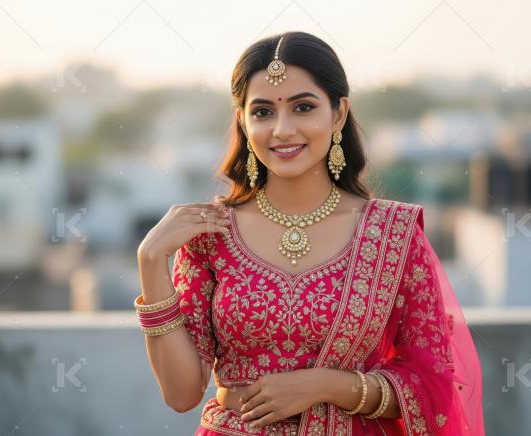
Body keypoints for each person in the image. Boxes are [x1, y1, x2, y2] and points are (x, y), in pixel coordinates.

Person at [136, 31, 484, 436]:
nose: (283, 129)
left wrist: (327, 386)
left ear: (338, 114)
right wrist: (150, 261)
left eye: (303, 107)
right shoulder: (209, 234)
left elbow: (433, 386)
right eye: (263, 112)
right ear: (243, 121)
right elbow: (181, 394)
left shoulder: (393, 234)